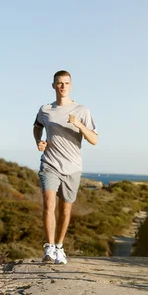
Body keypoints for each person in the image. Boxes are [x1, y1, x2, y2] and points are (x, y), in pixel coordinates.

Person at [33, 70, 98, 264]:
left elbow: (94, 140)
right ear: (53, 86)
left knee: (65, 210)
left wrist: (79, 125)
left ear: (71, 85)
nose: (63, 86)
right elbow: (37, 126)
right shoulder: (45, 110)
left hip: (72, 167)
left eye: (66, 83)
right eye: (59, 83)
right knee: (48, 204)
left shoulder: (82, 110)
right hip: (50, 163)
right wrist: (39, 141)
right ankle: (49, 248)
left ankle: (59, 247)